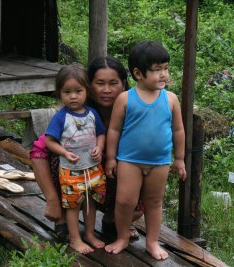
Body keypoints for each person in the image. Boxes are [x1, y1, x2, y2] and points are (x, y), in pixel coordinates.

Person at [30, 56, 142, 249]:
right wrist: (52, 200)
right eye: (100, 83)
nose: (106, 90)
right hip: (74, 179)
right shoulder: (76, 114)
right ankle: (63, 217)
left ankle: (113, 218)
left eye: (113, 83)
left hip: (108, 180)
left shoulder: (133, 113)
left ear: (123, 85)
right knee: (58, 157)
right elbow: (39, 150)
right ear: (90, 86)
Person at [104, 40, 187, 260]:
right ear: (138, 73)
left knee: (154, 203)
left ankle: (151, 242)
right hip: (129, 161)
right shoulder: (125, 98)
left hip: (159, 162)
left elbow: (178, 130)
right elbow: (113, 130)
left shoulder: (170, 99)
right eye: (157, 69)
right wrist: (111, 158)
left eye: (166, 68)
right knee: (124, 202)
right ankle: (122, 236)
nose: (164, 75)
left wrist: (179, 158)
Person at [44, 63, 106, 254]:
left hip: (93, 168)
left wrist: (99, 147)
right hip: (71, 170)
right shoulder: (61, 117)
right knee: (72, 205)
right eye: (67, 92)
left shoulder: (92, 114)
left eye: (78, 91)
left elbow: (101, 133)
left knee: (91, 201)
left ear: (86, 91)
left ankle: (89, 234)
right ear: (59, 94)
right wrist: (63, 152)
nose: (73, 96)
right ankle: (75, 239)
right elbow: (49, 141)